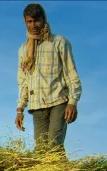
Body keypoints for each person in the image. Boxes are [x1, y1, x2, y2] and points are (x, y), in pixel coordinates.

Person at [14, 3, 82, 151]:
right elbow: (23, 82)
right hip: (37, 105)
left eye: (37, 20)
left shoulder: (59, 42)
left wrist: (73, 102)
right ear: (25, 22)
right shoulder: (23, 50)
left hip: (58, 101)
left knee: (54, 145)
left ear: (44, 19)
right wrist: (20, 109)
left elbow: (71, 74)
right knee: (41, 150)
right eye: (29, 22)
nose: (34, 25)